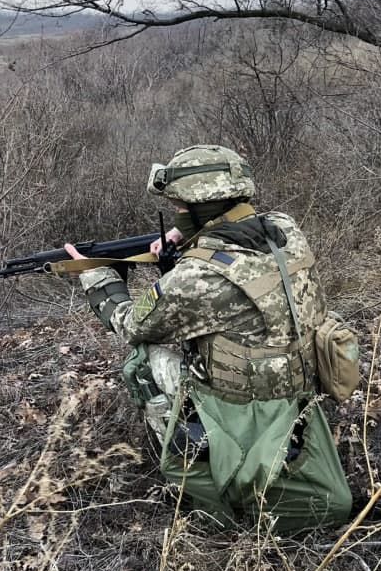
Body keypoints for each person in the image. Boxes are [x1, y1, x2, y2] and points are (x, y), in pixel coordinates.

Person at [67, 145, 352, 533]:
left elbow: (131, 324)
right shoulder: (286, 229)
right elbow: (234, 241)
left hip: (246, 404)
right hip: (301, 385)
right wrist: (190, 238)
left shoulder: (196, 279)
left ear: (201, 209)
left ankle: (198, 478)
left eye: (181, 209)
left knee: (143, 358)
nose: (178, 215)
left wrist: (95, 275)